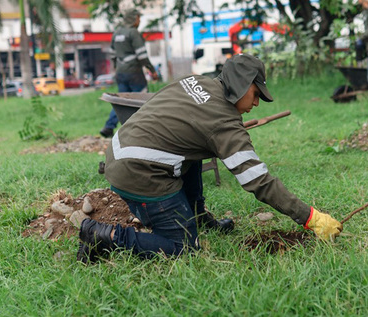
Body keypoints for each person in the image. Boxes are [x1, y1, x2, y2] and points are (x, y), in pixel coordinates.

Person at [76, 54, 343, 263]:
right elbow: (258, 181)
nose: (257, 103)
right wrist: (310, 217)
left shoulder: (196, 81)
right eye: (256, 93)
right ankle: (102, 235)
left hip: (120, 151)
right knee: (182, 248)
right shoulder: (224, 124)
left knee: (190, 150)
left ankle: (196, 215)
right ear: (242, 85)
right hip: (139, 172)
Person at [99, 9, 158, 138]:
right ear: (133, 18)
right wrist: (152, 70)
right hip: (134, 73)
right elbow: (142, 55)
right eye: (138, 18)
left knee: (120, 101)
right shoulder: (133, 33)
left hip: (121, 73)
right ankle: (145, 130)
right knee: (143, 100)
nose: (140, 20)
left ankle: (109, 127)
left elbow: (113, 55)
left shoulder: (117, 33)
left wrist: (117, 69)